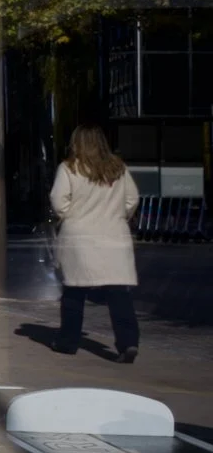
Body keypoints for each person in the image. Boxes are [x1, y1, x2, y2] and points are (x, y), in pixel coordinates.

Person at [49, 124, 141, 362]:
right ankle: (128, 343)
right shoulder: (118, 168)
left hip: (80, 239)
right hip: (114, 236)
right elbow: (132, 198)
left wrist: (73, 215)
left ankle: (68, 341)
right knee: (119, 294)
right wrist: (118, 215)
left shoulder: (69, 168)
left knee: (74, 292)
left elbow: (59, 202)